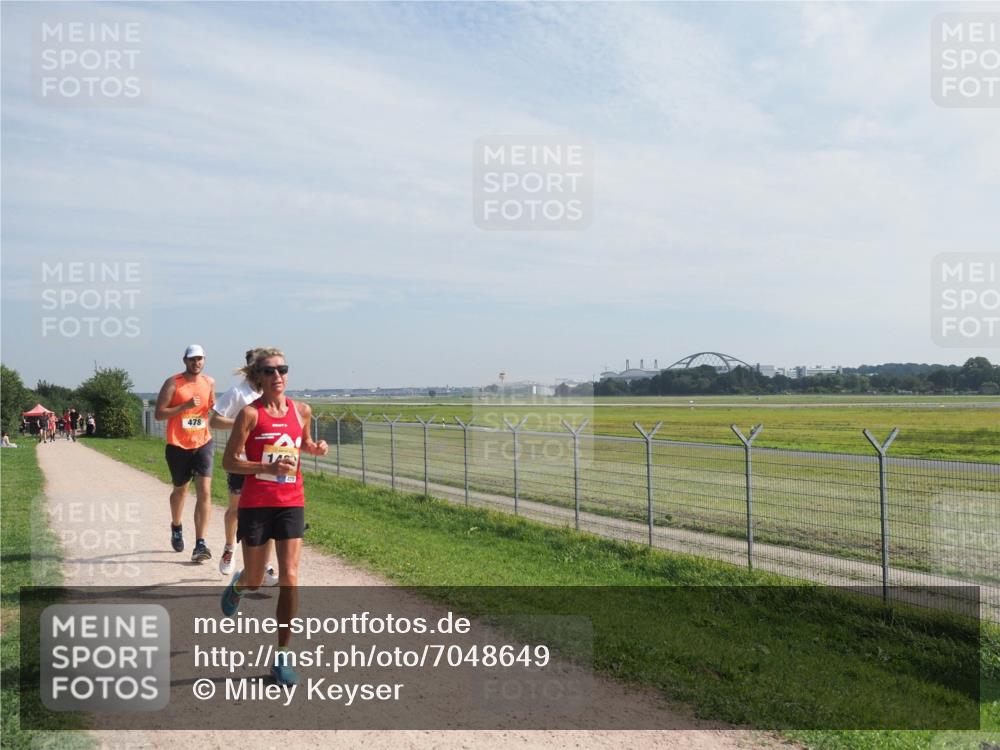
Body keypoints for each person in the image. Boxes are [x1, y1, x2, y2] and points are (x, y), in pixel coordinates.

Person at [220, 348, 327, 686]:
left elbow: (302, 442)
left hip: (291, 500)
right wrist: (266, 467)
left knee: (290, 577)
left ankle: (282, 655)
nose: (278, 375)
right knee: (255, 581)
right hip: (256, 504)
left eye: (283, 369)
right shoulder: (250, 415)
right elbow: (229, 461)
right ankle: (240, 583)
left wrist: (315, 447)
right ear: (258, 378)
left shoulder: (302, 410)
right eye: (269, 371)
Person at [210, 348, 278, 585]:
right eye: (261, 367)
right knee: (237, 510)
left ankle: (265, 563)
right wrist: (242, 424)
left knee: (266, 513)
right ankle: (230, 547)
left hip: (268, 461)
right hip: (241, 460)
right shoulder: (238, 393)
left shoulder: (272, 392)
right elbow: (214, 420)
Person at [154, 345, 216, 562]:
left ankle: (200, 544)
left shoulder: (209, 382)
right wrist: (184, 405)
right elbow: (159, 414)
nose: (196, 363)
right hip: (178, 445)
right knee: (180, 490)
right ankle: (176, 525)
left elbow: (210, 408)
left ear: (204, 360)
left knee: (205, 491)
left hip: (203, 442)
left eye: (199, 359)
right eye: (192, 359)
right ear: (185, 361)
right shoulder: (173, 383)